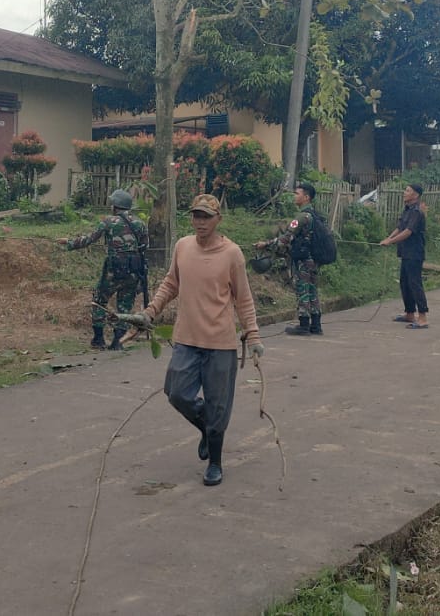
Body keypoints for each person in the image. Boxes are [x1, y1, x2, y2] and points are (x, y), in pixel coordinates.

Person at [139, 194, 263, 488]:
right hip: (187, 338)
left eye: (206, 216)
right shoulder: (183, 247)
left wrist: (253, 334)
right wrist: (150, 311)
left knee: (218, 404)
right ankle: (207, 429)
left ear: (218, 219)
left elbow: (243, 298)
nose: (200, 221)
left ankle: (215, 463)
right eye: (196, 215)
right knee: (177, 392)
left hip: (220, 343)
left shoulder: (232, 254)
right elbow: (171, 283)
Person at [58, 188, 148, 350]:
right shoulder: (140, 223)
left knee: (99, 300)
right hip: (133, 272)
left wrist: (69, 243)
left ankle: (98, 339)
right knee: (125, 305)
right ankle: (117, 342)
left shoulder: (108, 222)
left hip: (113, 271)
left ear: (115, 206)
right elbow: (144, 246)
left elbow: (88, 240)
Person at [255, 181, 324, 336]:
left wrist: (265, 244)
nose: (294, 196)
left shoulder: (301, 217)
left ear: (306, 197)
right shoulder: (314, 215)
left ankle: (304, 325)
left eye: (297, 193)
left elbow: (285, 239)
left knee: (302, 290)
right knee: (313, 290)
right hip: (314, 260)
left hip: (303, 260)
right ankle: (316, 325)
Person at [379, 182, 429, 329]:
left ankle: (423, 317)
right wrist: (388, 238)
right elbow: (400, 227)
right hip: (406, 253)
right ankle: (409, 313)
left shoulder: (416, 212)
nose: (404, 193)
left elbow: (407, 232)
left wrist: (391, 242)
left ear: (415, 195)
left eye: (407, 191)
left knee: (415, 284)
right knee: (405, 283)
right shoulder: (407, 210)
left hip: (415, 253)